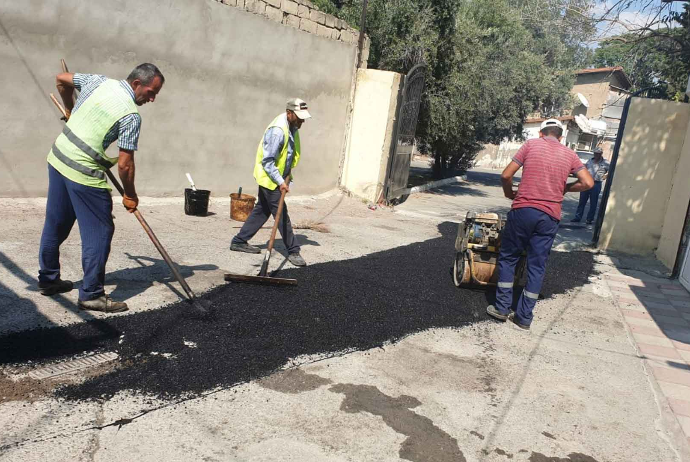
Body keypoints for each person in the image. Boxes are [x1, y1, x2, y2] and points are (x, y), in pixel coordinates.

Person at [38, 63, 165, 313]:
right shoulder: (130, 116)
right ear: (137, 83)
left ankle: (49, 280)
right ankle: (92, 295)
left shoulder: (98, 81)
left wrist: (70, 108)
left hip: (58, 158)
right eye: (151, 92)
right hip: (83, 173)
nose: (152, 99)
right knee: (100, 231)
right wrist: (130, 195)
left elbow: (61, 79)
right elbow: (125, 166)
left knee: (56, 223)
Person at [486, 119, 594, 330]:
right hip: (549, 216)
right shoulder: (569, 154)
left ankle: (502, 308)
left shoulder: (531, 145)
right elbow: (588, 183)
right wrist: (565, 189)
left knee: (509, 257)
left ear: (540, 133)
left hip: (523, 210)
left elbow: (506, 175)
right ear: (561, 137)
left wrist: (510, 194)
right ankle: (524, 317)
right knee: (537, 265)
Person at [230, 99, 311, 267]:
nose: (302, 121)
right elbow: (268, 162)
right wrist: (281, 181)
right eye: (299, 117)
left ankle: (239, 241)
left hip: (276, 177)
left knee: (262, 210)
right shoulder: (278, 132)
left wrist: (288, 173)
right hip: (270, 178)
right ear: (289, 113)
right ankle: (294, 250)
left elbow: (288, 154)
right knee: (281, 215)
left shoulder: (292, 126)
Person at [571, 146, 610, 225]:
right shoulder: (590, 161)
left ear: (601, 154)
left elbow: (611, 170)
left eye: (598, 154)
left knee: (593, 203)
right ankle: (577, 217)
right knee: (582, 201)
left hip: (596, 184)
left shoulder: (606, 162)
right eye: (595, 153)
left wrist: (605, 176)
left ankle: (589, 219)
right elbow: (585, 169)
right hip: (586, 183)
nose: (596, 155)